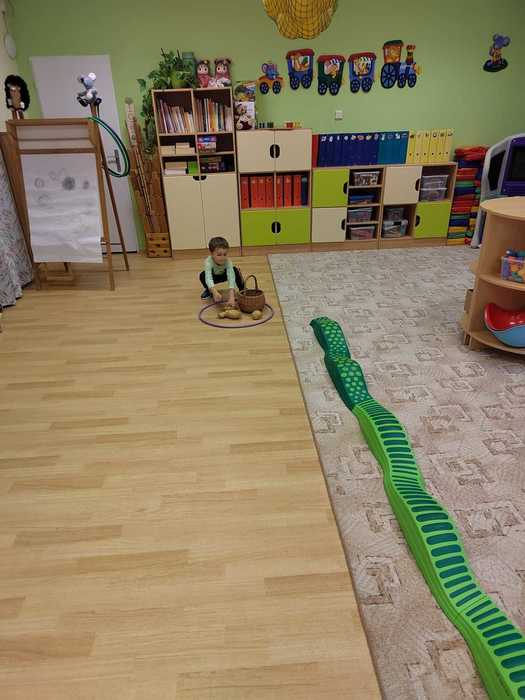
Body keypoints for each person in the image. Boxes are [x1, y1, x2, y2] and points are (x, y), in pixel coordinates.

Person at [200, 236, 244, 304]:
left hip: (224, 275)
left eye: (225, 254)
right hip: (214, 277)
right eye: (219, 255)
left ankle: (242, 289)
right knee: (202, 275)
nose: (222, 257)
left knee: (235, 270)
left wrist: (231, 295)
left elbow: (231, 277)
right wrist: (214, 292)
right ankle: (209, 290)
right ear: (212, 254)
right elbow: (208, 278)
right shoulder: (208, 262)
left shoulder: (228, 262)